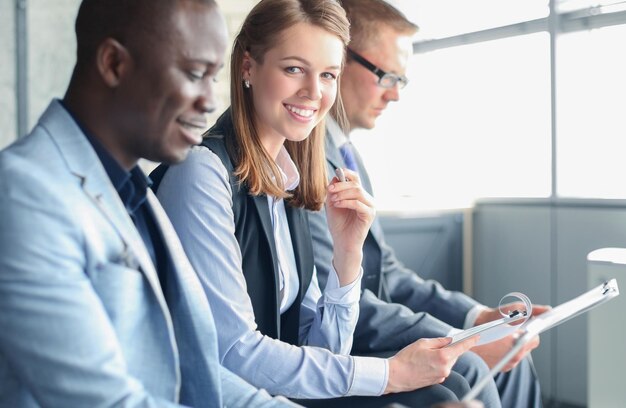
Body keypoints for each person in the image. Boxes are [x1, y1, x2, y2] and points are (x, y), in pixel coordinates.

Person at [152, 0, 481, 406]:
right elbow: (233, 353)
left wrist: (346, 256)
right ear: (248, 68)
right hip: (227, 393)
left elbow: (323, 348)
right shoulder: (202, 173)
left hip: (275, 383)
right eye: (294, 69)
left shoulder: (289, 179)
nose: (314, 92)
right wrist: (390, 374)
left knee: (449, 390)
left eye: (328, 75)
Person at [0, 0, 298, 406]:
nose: (209, 102)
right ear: (113, 64)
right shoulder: (24, 192)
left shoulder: (136, 193)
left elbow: (195, 370)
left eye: (213, 78)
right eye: (195, 74)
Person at [307, 1, 550, 407]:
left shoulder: (347, 154)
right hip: (336, 343)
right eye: (386, 75)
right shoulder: (307, 158)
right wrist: (460, 342)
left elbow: (387, 274)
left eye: (402, 79)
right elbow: (332, 296)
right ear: (338, 58)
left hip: (366, 329)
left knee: (511, 359)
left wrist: (476, 319)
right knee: (467, 368)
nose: (396, 94)